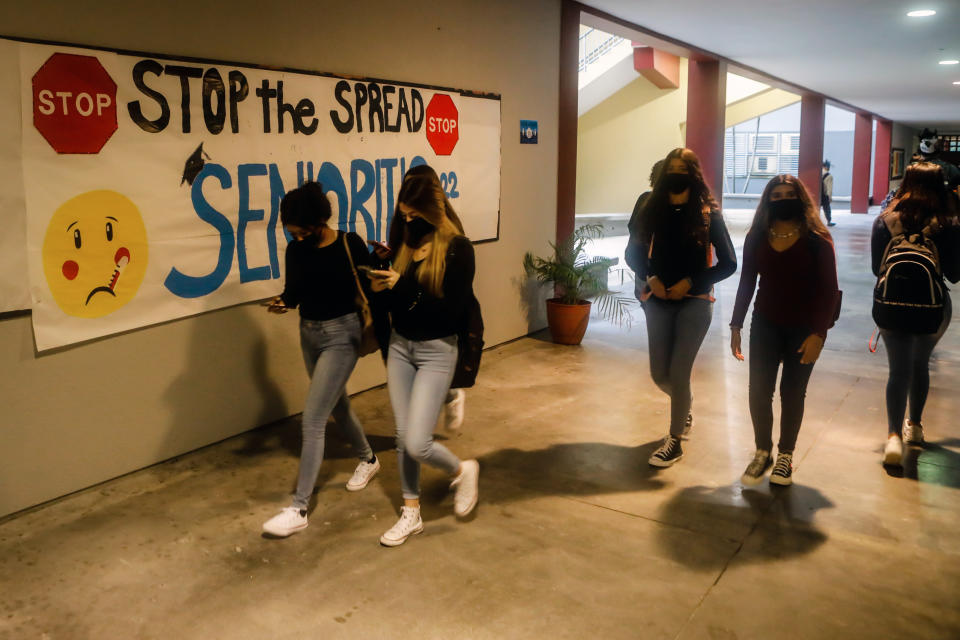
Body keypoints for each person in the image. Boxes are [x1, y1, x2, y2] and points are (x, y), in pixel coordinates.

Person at [261, 182, 383, 538]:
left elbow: (371, 284)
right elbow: (295, 293)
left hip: (342, 335)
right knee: (337, 403)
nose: (297, 238)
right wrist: (282, 302)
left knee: (313, 418)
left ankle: (299, 507)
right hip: (309, 333)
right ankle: (368, 459)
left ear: (319, 222)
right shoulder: (295, 250)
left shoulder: (349, 243)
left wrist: (382, 261)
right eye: (292, 233)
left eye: (302, 231)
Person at [368, 165, 480, 546]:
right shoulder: (404, 242)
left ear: (434, 210)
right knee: (403, 438)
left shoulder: (458, 249)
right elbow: (401, 307)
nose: (408, 221)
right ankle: (411, 512)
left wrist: (401, 287)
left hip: (436, 350)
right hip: (401, 346)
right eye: (403, 215)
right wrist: (381, 280)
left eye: (415, 215)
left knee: (418, 442)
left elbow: (446, 312)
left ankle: (463, 469)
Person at [730, 175, 839, 486]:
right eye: (775, 195)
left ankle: (786, 457)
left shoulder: (818, 238)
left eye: (788, 194)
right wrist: (736, 323)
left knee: (792, 392)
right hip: (765, 322)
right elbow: (747, 280)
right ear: (767, 200)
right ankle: (762, 451)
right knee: (759, 390)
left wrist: (819, 334)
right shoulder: (758, 235)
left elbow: (829, 290)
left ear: (800, 198)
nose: (782, 199)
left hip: (804, 328)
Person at [632, 148, 737, 467]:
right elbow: (632, 250)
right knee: (658, 373)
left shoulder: (707, 211)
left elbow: (729, 262)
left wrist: (691, 282)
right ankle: (684, 406)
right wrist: (650, 278)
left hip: (696, 301)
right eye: (672, 168)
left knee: (679, 371)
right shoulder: (648, 205)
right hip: (657, 299)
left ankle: (674, 441)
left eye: (683, 169)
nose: (676, 174)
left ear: (693, 174)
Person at [872, 162, 960, 466]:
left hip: (891, 306)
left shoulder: (886, 220)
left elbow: (876, 269)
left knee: (898, 371)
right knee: (919, 363)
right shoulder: (948, 223)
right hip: (933, 308)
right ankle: (916, 427)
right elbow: (955, 274)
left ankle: (893, 437)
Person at [821, 160, 835, 226]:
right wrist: (830, 197)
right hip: (825, 195)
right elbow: (829, 188)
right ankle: (829, 221)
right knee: (827, 209)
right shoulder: (829, 176)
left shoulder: (818, 173)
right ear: (826, 167)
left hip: (818, 194)